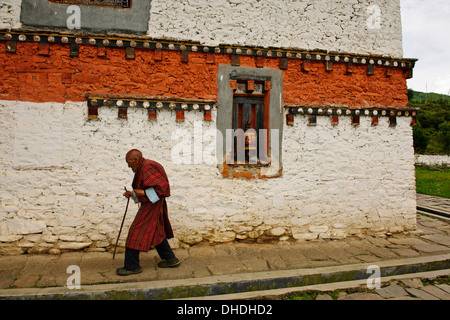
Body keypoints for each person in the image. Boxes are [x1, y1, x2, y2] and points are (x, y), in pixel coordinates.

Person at [116, 149, 180, 276]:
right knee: (156, 232)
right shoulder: (143, 167)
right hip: (152, 204)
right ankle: (171, 259)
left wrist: (143, 193)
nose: (129, 166)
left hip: (152, 206)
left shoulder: (147, 167)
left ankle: (132, 266)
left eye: (130, 163)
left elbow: (163, 188)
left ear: (137, 160)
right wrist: (133, 194)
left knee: (135, 232)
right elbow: (148, 189)